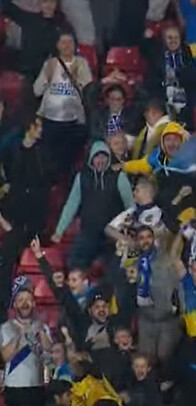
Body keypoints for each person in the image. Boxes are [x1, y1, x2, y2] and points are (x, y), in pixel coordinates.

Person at [0, 117, 57, 316]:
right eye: (38, 126)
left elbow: (49, 179)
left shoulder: (43, 152)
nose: (41, 130)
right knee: (6, 261)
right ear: (30, 128)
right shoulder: (12, 151)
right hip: (15, 220)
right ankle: (3, 309)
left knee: (44, 258)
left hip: (36, 221)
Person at [51, 140, 135, 269]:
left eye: (103, 157)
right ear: (91, 158)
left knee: (114, 268)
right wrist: (59, 231)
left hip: (112, 235)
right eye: (97, 157)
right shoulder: (82, 177)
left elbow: (130, 207)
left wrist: (129, 232)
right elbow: (71, 205)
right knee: (74, 264)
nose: (100, 160)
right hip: (88, 233)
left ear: (108, 158)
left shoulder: (119, 177)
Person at [1, 277, 52, 406]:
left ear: (34, 303)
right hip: (14, 389)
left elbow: (49, 352)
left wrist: (39, 332)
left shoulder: (41, 326)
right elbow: (5, 356)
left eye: (28, 300)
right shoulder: (5, 328)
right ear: (14, 304)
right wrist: (19, 336)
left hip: (36, 388)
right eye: (20, 300)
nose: (25, 304)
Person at [33, 30, 91, 173]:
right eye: (63, 42)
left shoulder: (81, 63)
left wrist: (77, 76)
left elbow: (89, 91)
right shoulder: (50, 64)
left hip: (73, 122)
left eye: (70, 42)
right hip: (49, 121)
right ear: (57, 45)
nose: (66, 46)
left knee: (67, 164)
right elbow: (36, 90)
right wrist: (47, 75)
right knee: (48, 163)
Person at [130, 225, 182, 366]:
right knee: (147, 361)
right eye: (141, 238)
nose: (146, 241)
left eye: (148, 237)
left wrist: (180, 312)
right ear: (137, 241)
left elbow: (179, 287)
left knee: (165, 359)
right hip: (145, 320)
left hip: (166, 320)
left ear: (153, 239)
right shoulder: (132, 262)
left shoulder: (166, 260)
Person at [142, 24, 196, 129]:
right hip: (163, 100)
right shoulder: (156, 55)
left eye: (176, 38)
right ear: (164, 39)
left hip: (184, 101)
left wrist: (178, 75)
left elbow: (193, 79)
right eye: (169, 38)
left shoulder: (187, 54)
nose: (173, 41)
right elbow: (151, 81)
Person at [0, 0, 71, 79]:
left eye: (52, 2)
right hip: (26, 72)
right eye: (45, 2)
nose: (49, 5)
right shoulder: (29, 19)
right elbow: (8, 7)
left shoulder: (63, 26)